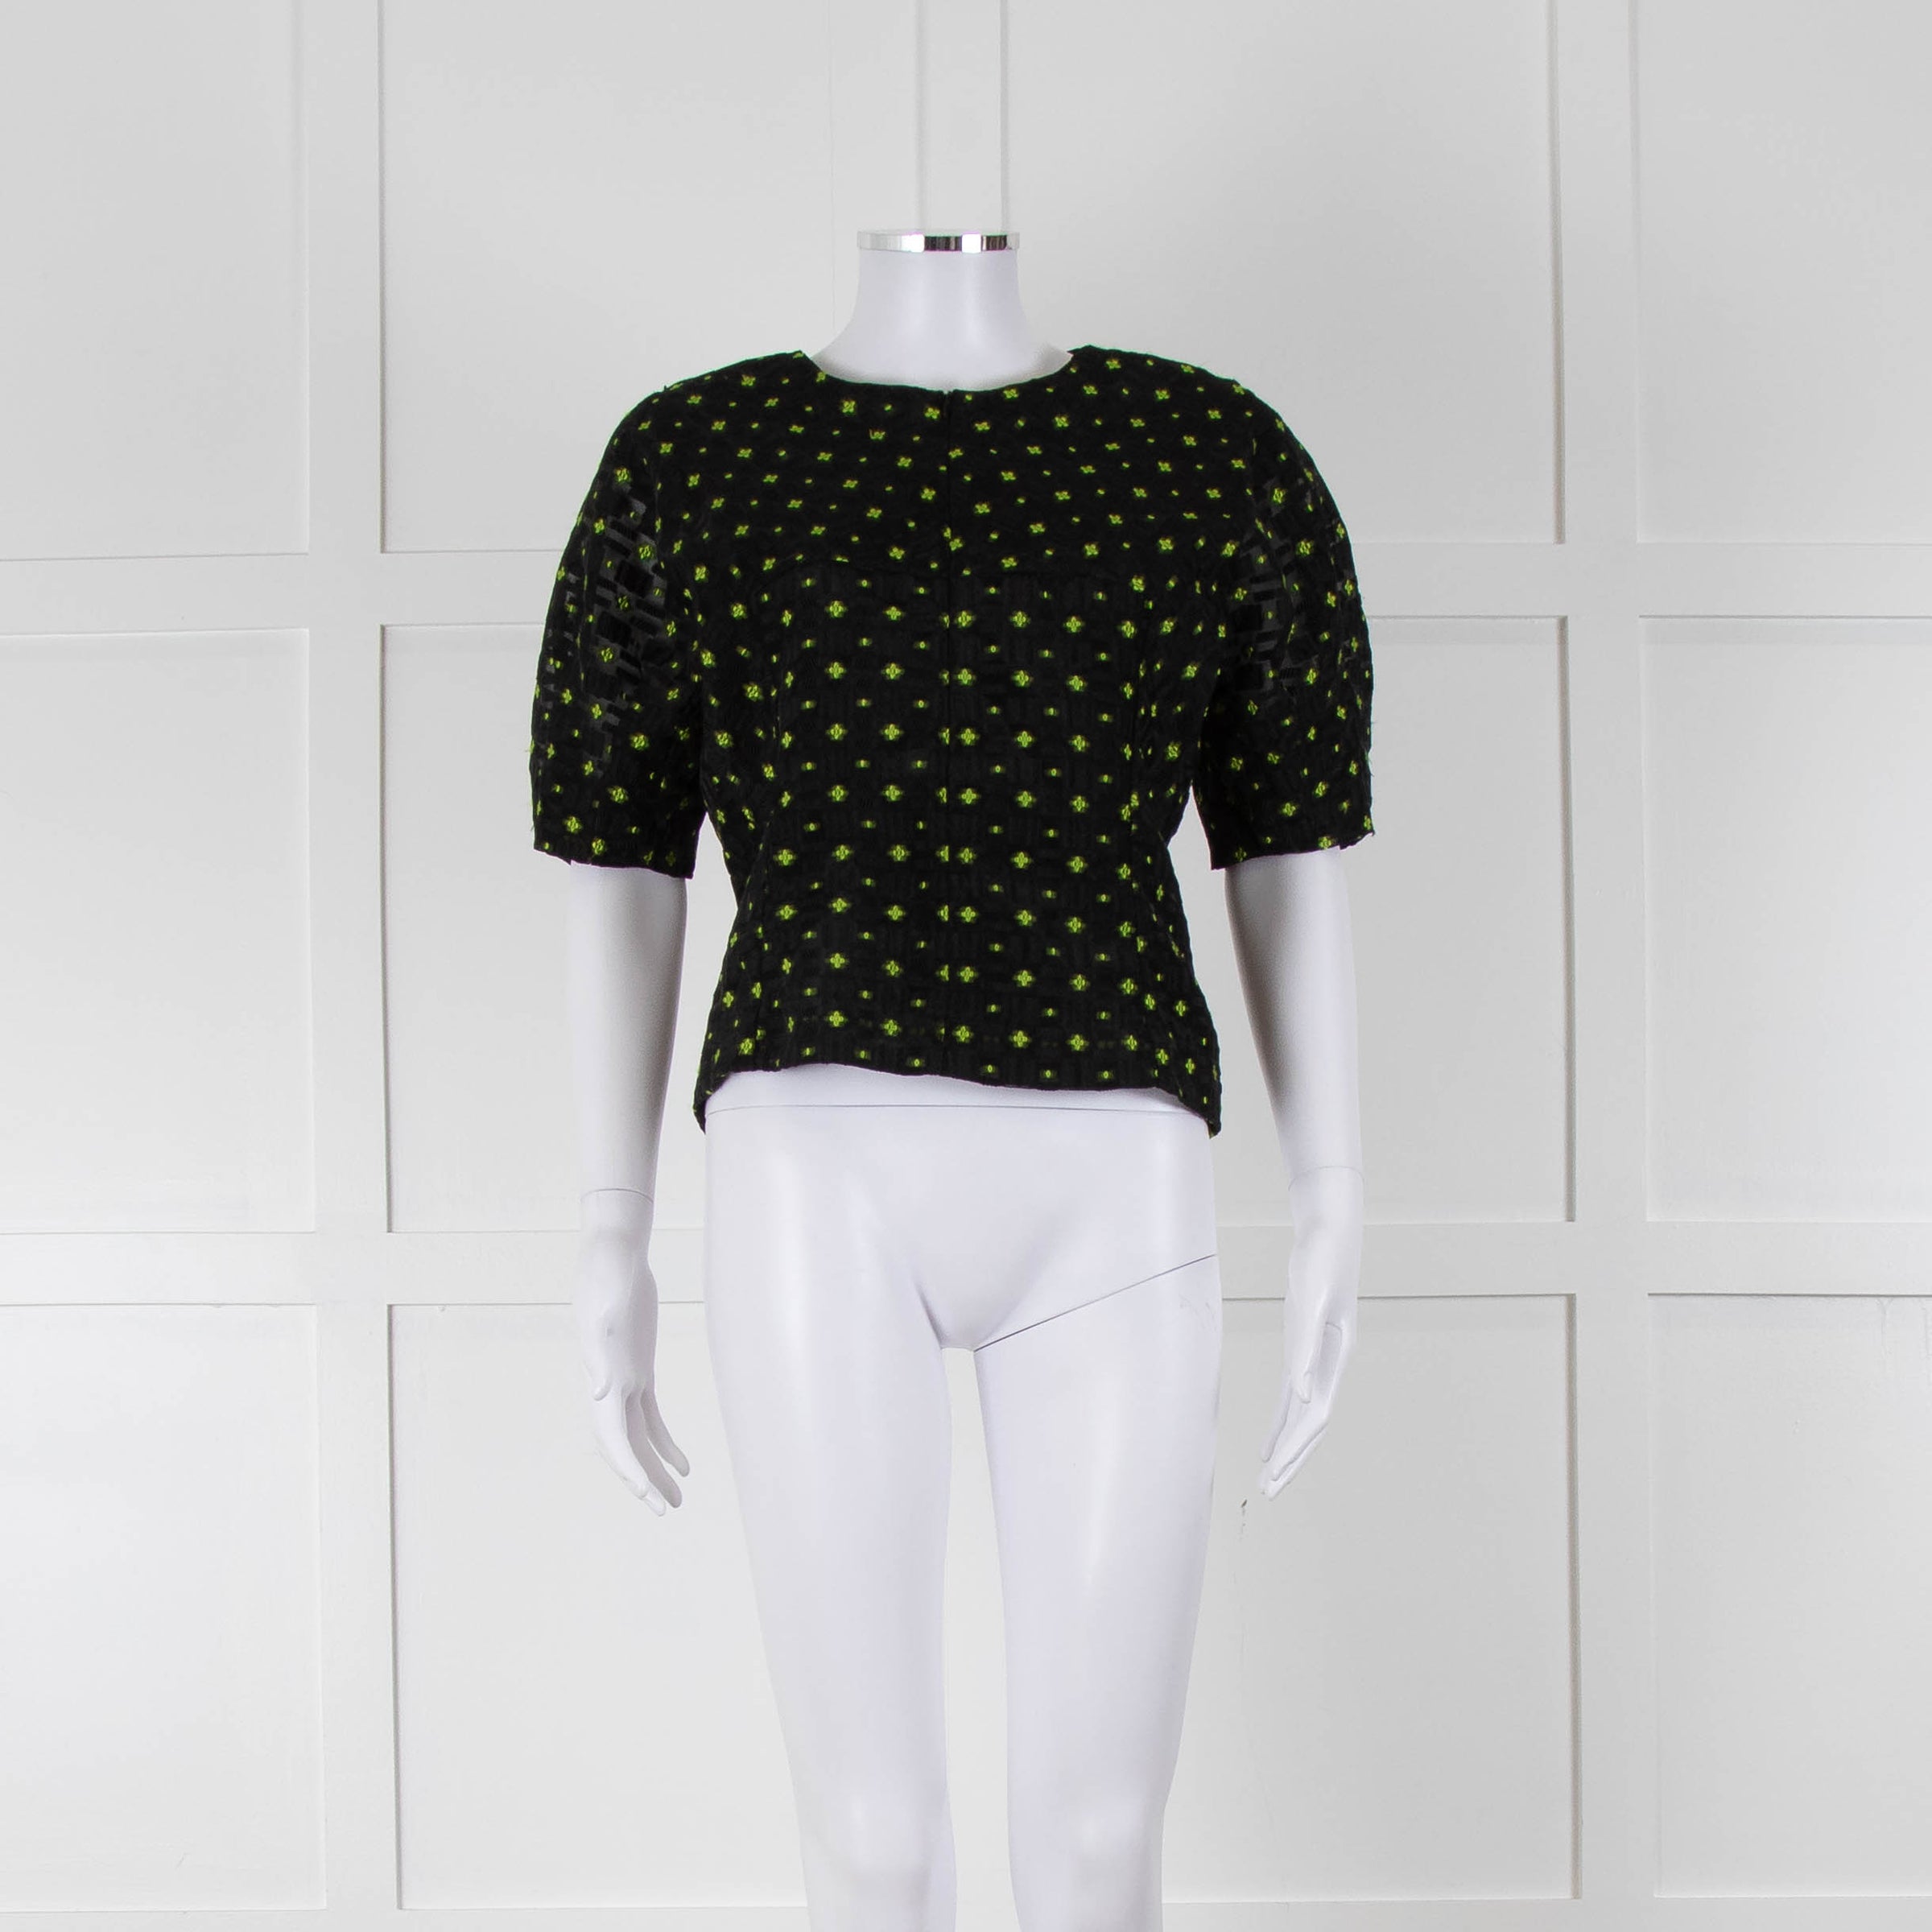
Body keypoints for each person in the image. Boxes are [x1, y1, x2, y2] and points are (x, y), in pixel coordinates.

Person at [532, 229, 1373, 1928]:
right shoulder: (693, 458)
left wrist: (1335, 1189)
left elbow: (1286, 838)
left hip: (1114, 1169)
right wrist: (609, 1229)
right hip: (813, 1166)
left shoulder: (1208, 454)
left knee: (1099, 1841)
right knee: (869, 1837)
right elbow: (625, 855)